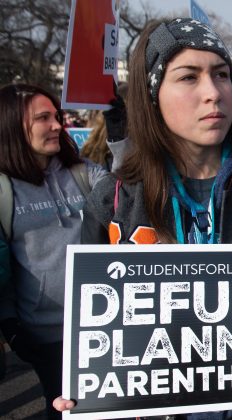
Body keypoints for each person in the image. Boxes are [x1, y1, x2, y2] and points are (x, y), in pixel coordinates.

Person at [51, 18, 232, 417]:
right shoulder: (114, 200)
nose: (213, 93)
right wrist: (81, 384)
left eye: (221, 75)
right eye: (188, 77)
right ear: (152, 95)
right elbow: (90, 321)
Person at [0, 83, 107, 419]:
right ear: (12, 126)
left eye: (57, 116)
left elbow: (125, 191)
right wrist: (10, 326)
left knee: (104, 409)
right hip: (45, 336)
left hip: (99, 325)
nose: (58, 125)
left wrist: (119, 134)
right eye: (43, 118)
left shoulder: (81, 171)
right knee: (65, 410)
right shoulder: (4, 189)